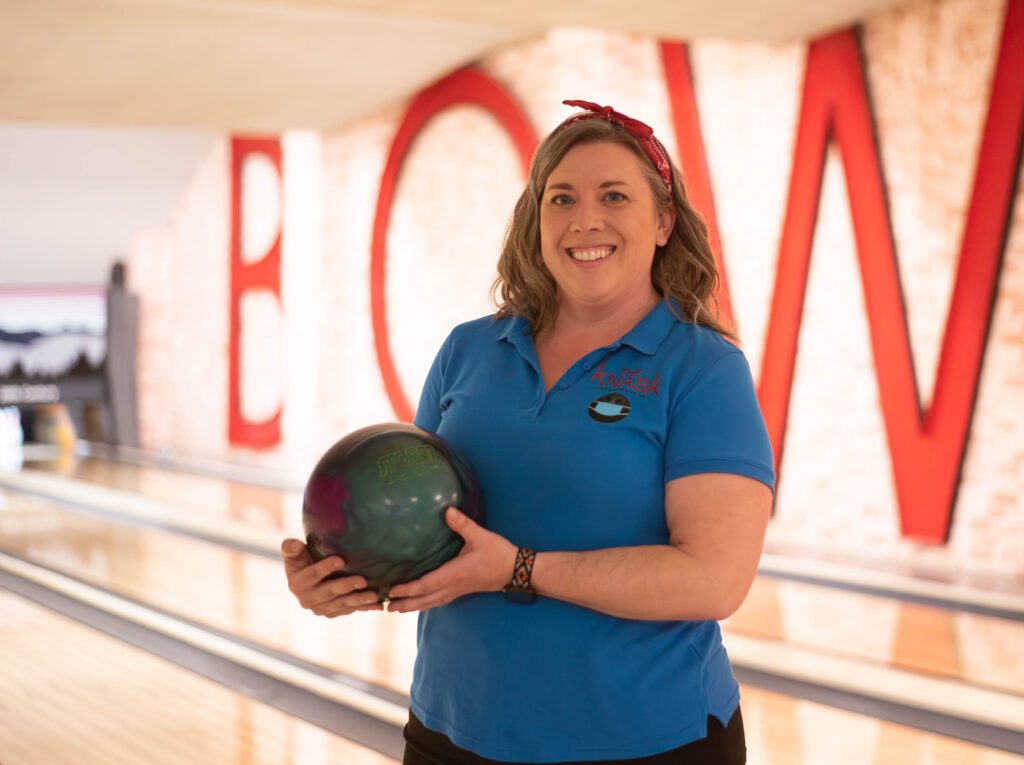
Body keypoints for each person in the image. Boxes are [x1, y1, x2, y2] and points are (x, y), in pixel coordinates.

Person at [282, 99, 775, 764]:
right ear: (536, 221)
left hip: (644, 741)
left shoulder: (702, 369)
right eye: (562, 199)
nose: (585, 220)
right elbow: (426, 535)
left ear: (662, 221)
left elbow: (714, 580)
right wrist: (348, 578)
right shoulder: (469, 350)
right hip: (453, 730)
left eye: (614, 196)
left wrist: (519, 569)